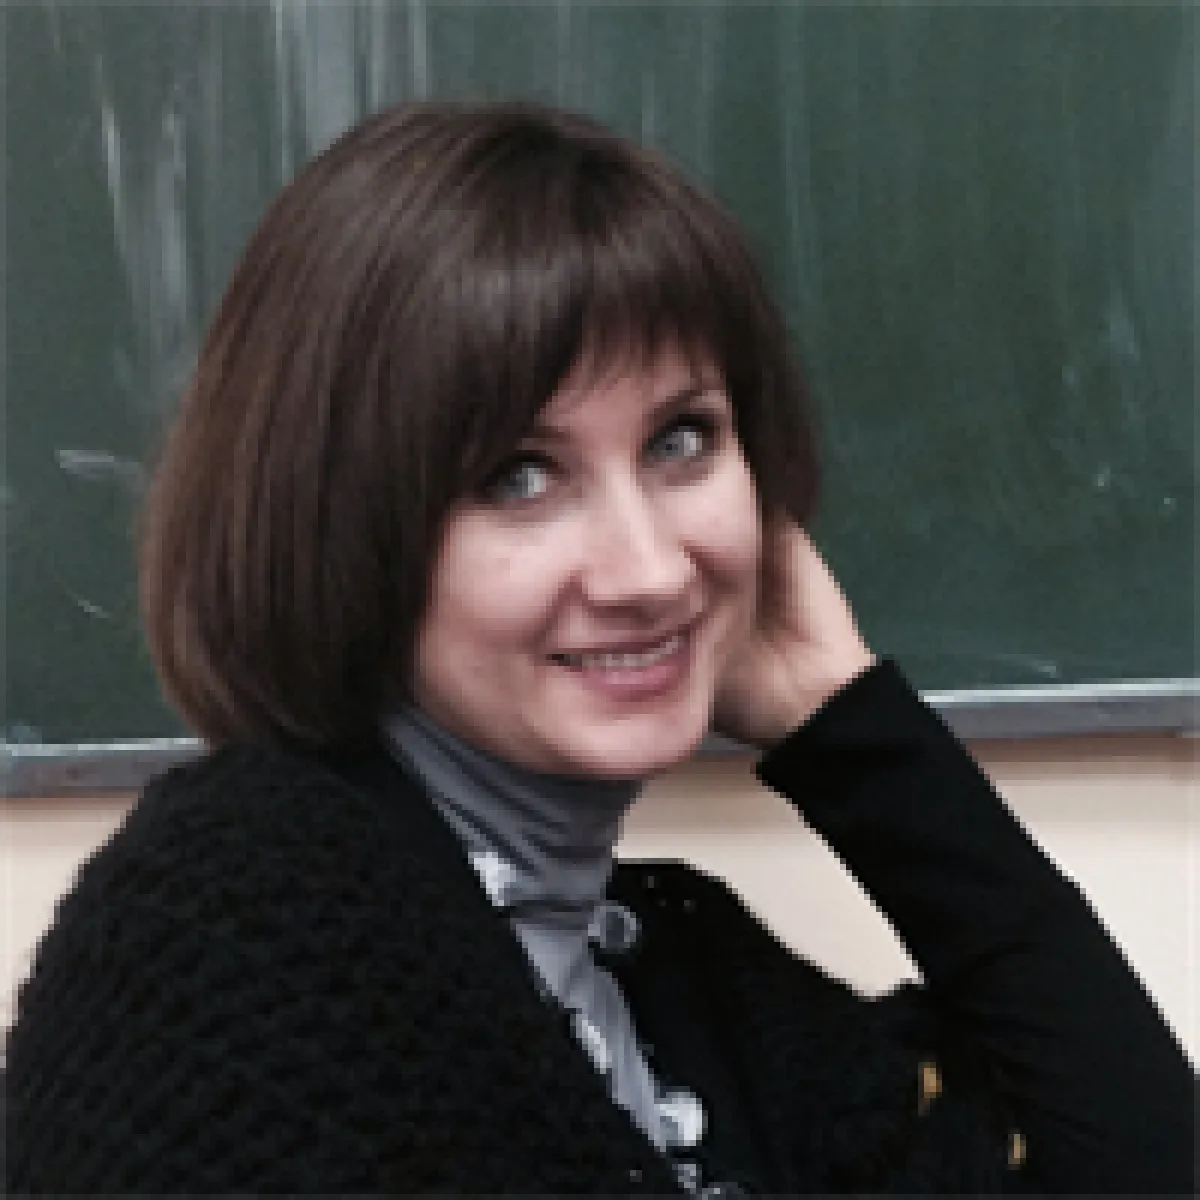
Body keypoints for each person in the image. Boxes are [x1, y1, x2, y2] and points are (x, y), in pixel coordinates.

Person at [1, 101, 1195, 1199]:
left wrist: (851, 731)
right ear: (341, 529)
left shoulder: (674, 974)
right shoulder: (241, 936)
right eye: (518, 477)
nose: (649, 570)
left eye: (682, 441)